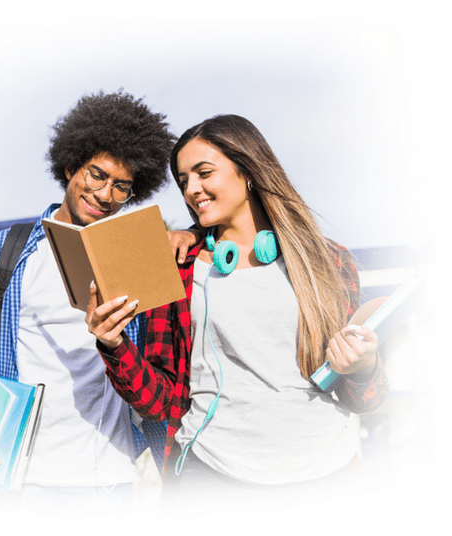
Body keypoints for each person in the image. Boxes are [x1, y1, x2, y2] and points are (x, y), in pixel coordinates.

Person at [86, 114, 390, 503]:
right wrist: (114, 346)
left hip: (325, 475)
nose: (192, 189)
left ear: (247, 170)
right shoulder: (177, 267)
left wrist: (363, 369)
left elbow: (365, 398)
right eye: (183, 181)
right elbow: (157, 399)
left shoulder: (328, 262)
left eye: (203, 172)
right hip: (210, 475)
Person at [0, 90, 197, 509]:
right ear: (70, 165)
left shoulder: (140, 256)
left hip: (112, 479)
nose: (106, 194)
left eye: (122, 187)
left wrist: (192, 236)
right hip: (16, 479)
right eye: (97, 175)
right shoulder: (2, 252)